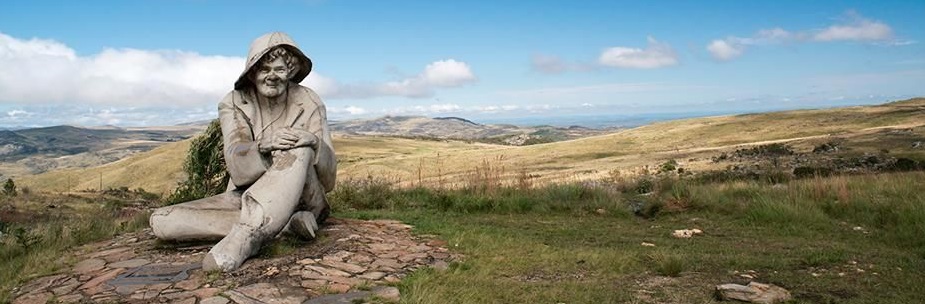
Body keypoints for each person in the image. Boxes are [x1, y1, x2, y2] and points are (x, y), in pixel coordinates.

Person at [149, 32, 336, 272]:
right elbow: (236, 163)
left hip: (303, 198)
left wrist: (314, 143)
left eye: (279, 69)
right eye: (264, 69)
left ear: (290, 71)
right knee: (163, 220)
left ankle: (248, 237)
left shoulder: (309, 100)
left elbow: (329, 180)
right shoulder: (233, 102)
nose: (271, 77)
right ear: (252, 72)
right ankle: (283, 226)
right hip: (244, 194)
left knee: (297, 146)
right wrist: (262, 145)